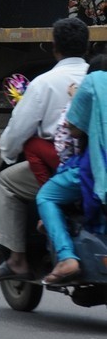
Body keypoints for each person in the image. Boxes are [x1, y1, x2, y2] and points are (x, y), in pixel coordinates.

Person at [0, 16, 89, 282]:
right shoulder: (97, 77)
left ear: (55, 47)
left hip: (66, 165)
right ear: (88, 47)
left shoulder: (45, 82)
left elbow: (18, 131)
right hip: (97, 161)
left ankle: (17, 260)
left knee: (7, 180)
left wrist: (1, 146)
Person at [36, 55, 107, 284]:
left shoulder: (93, 83)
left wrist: (76, 96)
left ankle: (67, 257)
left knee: (46, 195)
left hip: (95, 167)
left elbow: (73, 129)